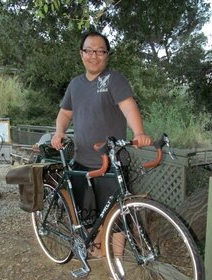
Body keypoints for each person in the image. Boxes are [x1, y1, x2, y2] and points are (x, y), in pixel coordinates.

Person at [51, 31, 152, 259]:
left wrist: (139, 133)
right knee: (87, 213)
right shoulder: (75, 85)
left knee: (117, 214)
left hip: (111, 161)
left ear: (106, 55)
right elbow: (65, 114)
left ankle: (115, 262)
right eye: (89, 50)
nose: (94, 56)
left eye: (100, 51)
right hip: (81, 161)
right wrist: (59, 132)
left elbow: (128, 107)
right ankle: (96, 251)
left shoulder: (114, 80)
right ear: (81, 53)